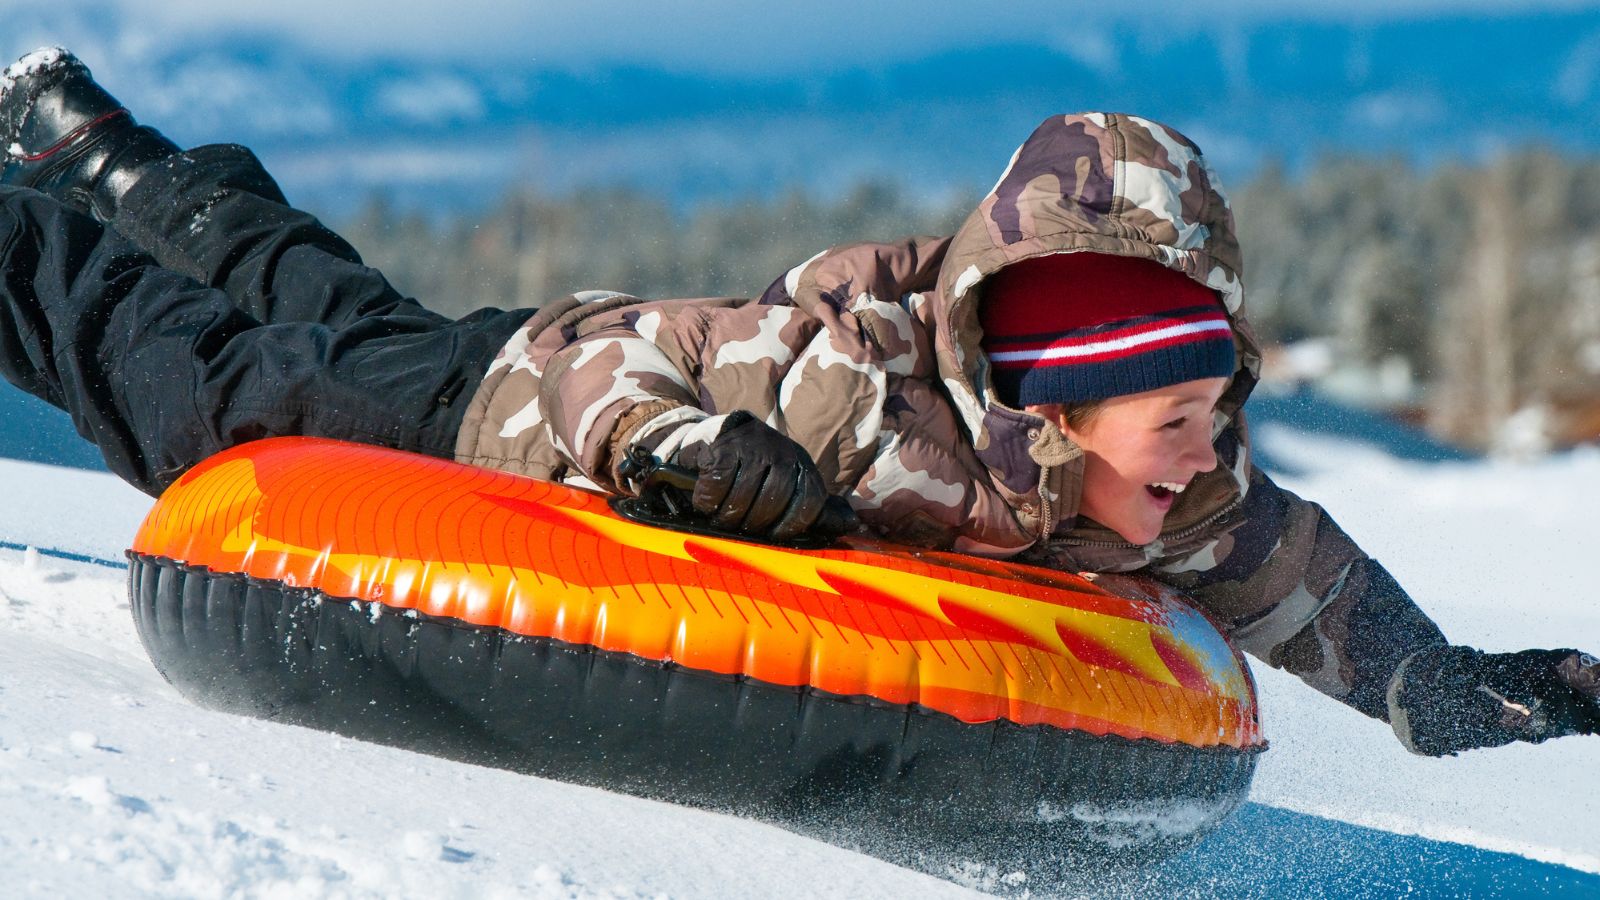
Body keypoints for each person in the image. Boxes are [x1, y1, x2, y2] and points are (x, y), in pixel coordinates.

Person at [1, 47, 1596, 758]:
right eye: (1173, 418)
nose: (1208, 457)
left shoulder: (1173, 485)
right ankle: (34, 235)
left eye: (1213, 402)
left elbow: (1302, 575)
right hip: (486, 411)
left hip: (483, 359)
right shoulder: (845, 382)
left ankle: (99, 152)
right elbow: (595, 368)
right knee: (182, 376)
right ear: (1050, 406)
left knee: (309, 286)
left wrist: (1429, 685)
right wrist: (678, 447)